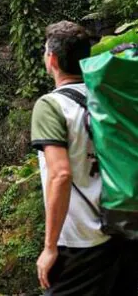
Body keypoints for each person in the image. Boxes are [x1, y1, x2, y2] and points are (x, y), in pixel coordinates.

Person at [31, 20, 138, 295]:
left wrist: (49, 247)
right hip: (121, 232)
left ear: (51, 59)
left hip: (79, 243)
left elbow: (61, 174)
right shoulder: (108, 100)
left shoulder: (51, 106)